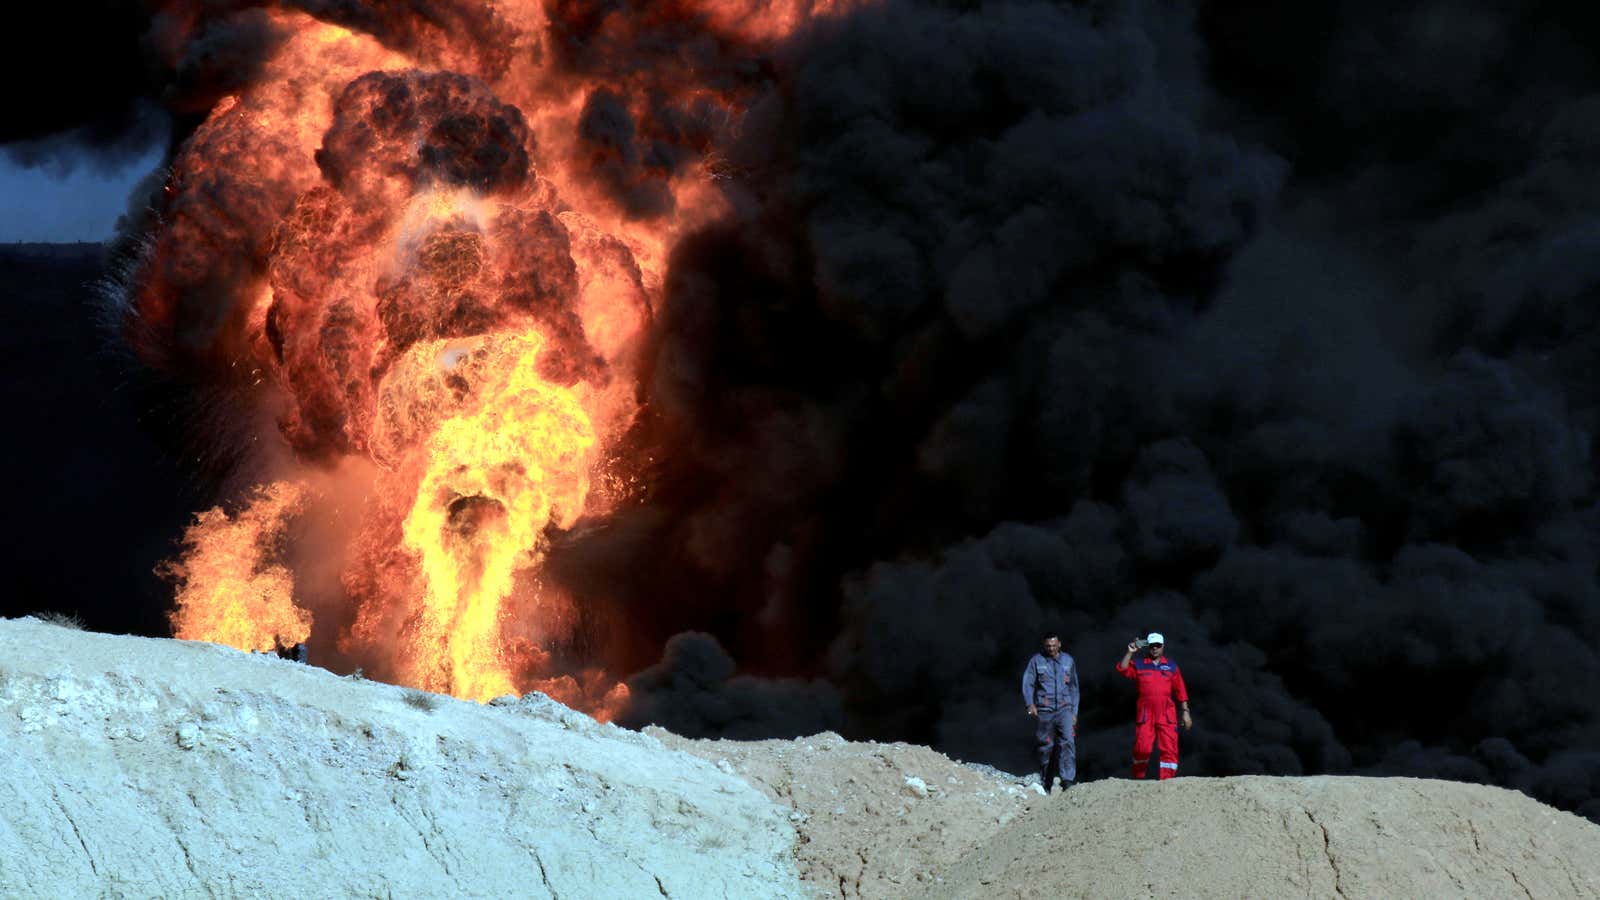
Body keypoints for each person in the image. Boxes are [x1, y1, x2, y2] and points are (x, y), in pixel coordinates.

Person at [1116, 632, 1191, 780]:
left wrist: (1186, 712)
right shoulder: (1139, 664)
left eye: (1158, 645)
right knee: (1142, 748)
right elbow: (1123, 669)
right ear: (1148, 647)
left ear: (1163, 646)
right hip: (1146, 713)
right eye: (1152, 646)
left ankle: (1167, 782)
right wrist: (1130, 652)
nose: (1155, 648)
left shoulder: (1171, 666)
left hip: (1166, 712)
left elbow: (1180, 690)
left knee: (1169, 747)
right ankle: (1138, 779)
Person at [1022, 630, 1079, 793]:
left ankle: (1067, 780)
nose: (1051, 648)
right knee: (1045, 745)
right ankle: (1046, 780)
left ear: (1059, 644)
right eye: (1048, 646)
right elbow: (1028, 683)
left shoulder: (1068, 661)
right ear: (1044, 645)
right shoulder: (1036, 661)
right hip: (1045, 710)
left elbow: (1074, 687)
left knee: (1068, 742)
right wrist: (1029, 704)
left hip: (1064, 709)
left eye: (1054, 645)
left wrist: (1074, 711)